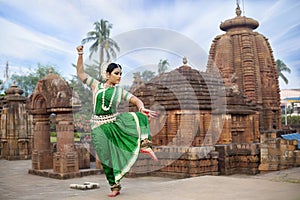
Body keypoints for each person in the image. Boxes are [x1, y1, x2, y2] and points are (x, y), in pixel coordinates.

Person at [76, 45, 158, 197]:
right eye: (116, 73)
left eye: (121, 73)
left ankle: (145, 144)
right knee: (106, 158)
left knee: (139, 116)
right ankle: (114, 186)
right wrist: (80, 54)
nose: (120, 76)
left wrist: (141, 107)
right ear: (108, 74)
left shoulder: (119, 91)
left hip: (114, 124)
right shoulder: (96, 86)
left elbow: (136, 100)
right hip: (97, 126)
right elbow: (80, 73)